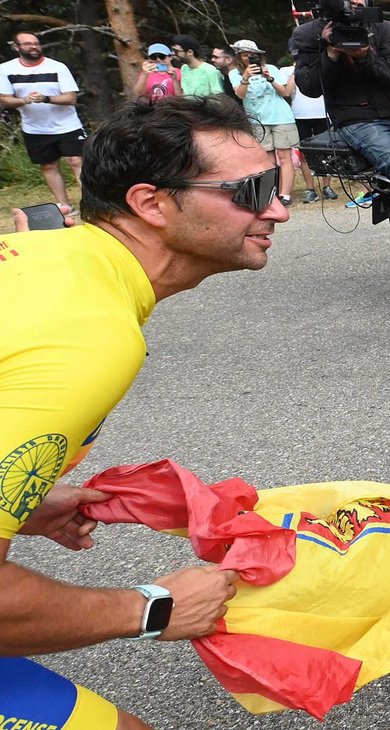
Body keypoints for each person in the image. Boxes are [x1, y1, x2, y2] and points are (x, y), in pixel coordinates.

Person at [0, 94, 282, 730]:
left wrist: (21, 492)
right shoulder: (87, 337)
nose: (279, 209)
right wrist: (152, 608)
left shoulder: (50, 263)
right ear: (151, 203)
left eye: (278, 183)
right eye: (251, 189)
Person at [292, 0, 390, 270]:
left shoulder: (383, 27)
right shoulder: (308, 34)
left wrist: (365, 55)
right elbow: (309, 88)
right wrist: (330, 52)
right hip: (356, 120)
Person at [0, 32, 86, 210]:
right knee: (48, 165)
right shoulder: (5, 69)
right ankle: (64, 206)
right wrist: (24, 100)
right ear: (16, 47)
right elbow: (5, 99)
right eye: (28, 44)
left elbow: (70, 98)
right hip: (35, 128)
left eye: (36, 43)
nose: (33, 47)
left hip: (67, 125)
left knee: (77, 161)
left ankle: (91, 203)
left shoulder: (57, 67)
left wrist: (46, 98)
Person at [229, 39, 299, 208]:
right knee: (267, 158)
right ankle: (269, 193)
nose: (248, 58)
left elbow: (285, 92)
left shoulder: (272, 68)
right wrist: (245, 77)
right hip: (257, 120)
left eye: (251, 55)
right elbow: (240, 95)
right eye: (244, 55)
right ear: (239, 57)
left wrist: (270, 78)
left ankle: (285, 194)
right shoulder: (234, 74)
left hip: (281, 117)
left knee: (284, 156)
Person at [286, 58, 339, 203]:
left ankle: (327, 187)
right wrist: (295, 72)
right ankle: (310, 189)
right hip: (300, 116)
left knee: (326, 152)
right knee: (304, 154)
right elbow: (286, 92)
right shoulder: (285, 71)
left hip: (322, 114)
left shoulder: (320, 66)